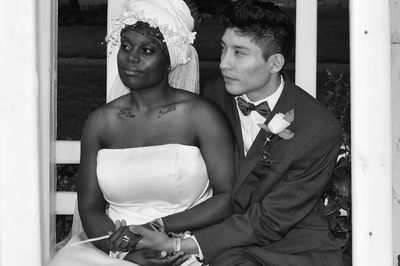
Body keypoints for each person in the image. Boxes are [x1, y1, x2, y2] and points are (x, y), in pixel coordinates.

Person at [128, 1, 345, 265]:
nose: (224, 64)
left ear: (275, 63)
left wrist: (179, 244)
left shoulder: (318, 128)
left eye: (239, 53)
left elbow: (271, 220)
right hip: (218, 239)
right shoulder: (214, 94)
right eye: (223, 49)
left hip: (289, 249)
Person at [48, 0, 234, 265]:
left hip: (181, 246)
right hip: (113, 249)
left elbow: (227, 198)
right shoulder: (100, 122)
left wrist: (159, 228)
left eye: (147, 50)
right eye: (125, 46)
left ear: (171, 58)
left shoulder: (201, 116)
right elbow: (89, 207)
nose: (131, 57)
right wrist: (126, 252)